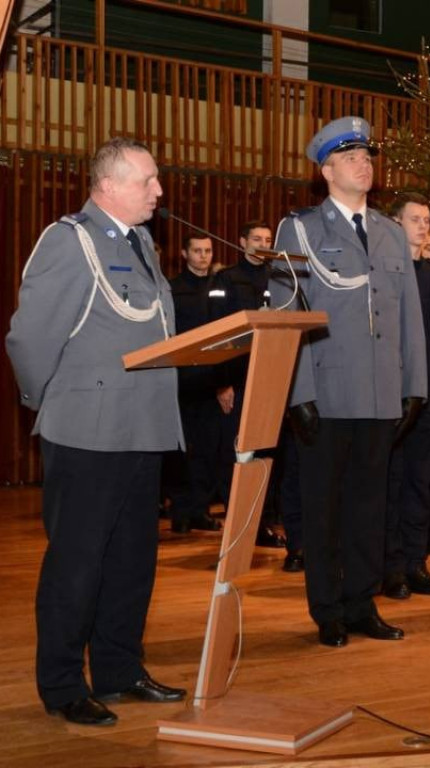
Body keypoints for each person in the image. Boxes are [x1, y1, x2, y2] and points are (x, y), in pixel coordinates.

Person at [6, 137, 186, 726]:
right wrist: (50, 403)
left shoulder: (140, 244)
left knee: (133, 560)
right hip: (87, 429)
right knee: (77, 563)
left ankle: (119, 669)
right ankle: (61, 685)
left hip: (143, 426)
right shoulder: (70, 240)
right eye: (148, 181)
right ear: (108, 187)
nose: (159, 190)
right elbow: (29, 339)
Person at [269, 116, 428, 647]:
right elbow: (287, 312)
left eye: (367, 155)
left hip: (383, 391)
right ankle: (328, 609)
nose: (365, 163)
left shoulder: (387, 231)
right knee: (324, 507)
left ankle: (362, 603)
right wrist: (298, 393)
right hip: (328, 391)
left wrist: (415, 385)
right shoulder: (301, 229)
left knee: (370, 505)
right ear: (326, 169)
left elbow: (409, 314)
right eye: (351, 156)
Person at [382, 193, 430, 599]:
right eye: (415, 219)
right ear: (395, 224)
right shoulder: (384, 274)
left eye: (427, 219)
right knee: (391, 483)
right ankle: (390, 567)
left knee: (420, 484)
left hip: (427, 396)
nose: (423, 225)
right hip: (392, 397)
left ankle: (416, 563)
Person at [213, 221, 294, 554]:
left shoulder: (280, 277)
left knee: (274, 451)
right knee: (244, 452)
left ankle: (268, 520)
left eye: (268, 240)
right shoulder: (227, 278)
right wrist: (222, 382)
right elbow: (217, 331)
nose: (263, 244)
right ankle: (244, 522)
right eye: (256, 239)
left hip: (275, 376)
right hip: (240, 376)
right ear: (241, 241)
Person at [168, 233, 231, 535]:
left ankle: (200, 510)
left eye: (207, 251)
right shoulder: (173, 289)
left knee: (209, 449)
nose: (203, 256)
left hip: (212, 379)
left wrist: (224, 382)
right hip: (181, 380)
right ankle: (181, 511)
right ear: (185, 253)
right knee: (182, 450)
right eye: (197, 250)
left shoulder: (219, 287)